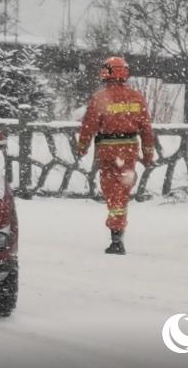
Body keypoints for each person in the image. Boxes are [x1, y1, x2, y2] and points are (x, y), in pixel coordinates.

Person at [77, 57, 156, 255]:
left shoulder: (100, 98)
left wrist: (82, 146)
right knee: (122, 192)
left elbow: (89, 126)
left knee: (112, 193)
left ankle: (116, 236)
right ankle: (118, 231)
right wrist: (148, 154)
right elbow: (146, 129)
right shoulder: (137, 97)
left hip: (107, 152)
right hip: (128, 152)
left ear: (106, 73)